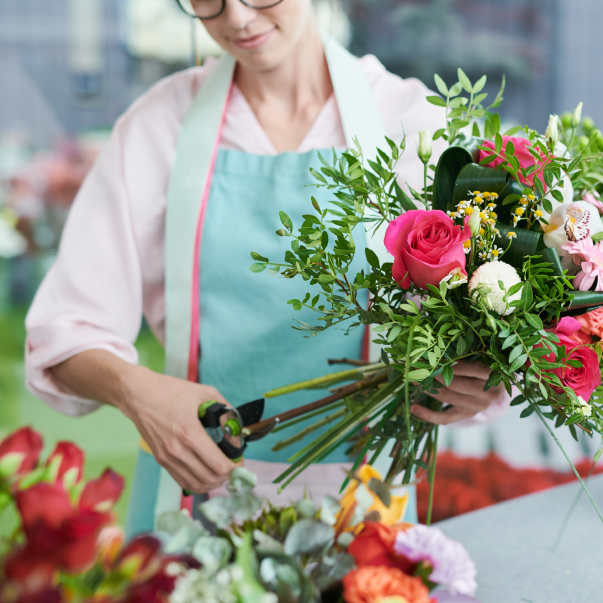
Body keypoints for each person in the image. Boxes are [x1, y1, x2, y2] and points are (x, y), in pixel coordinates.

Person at [24, 0, 506, 535]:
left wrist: (480, 380)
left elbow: (491, 309)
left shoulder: (412, 122)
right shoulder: (159, 125)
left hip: (367, 522)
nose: (236, 19)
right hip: (193, 501)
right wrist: (137, 392)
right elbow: (62, 333)